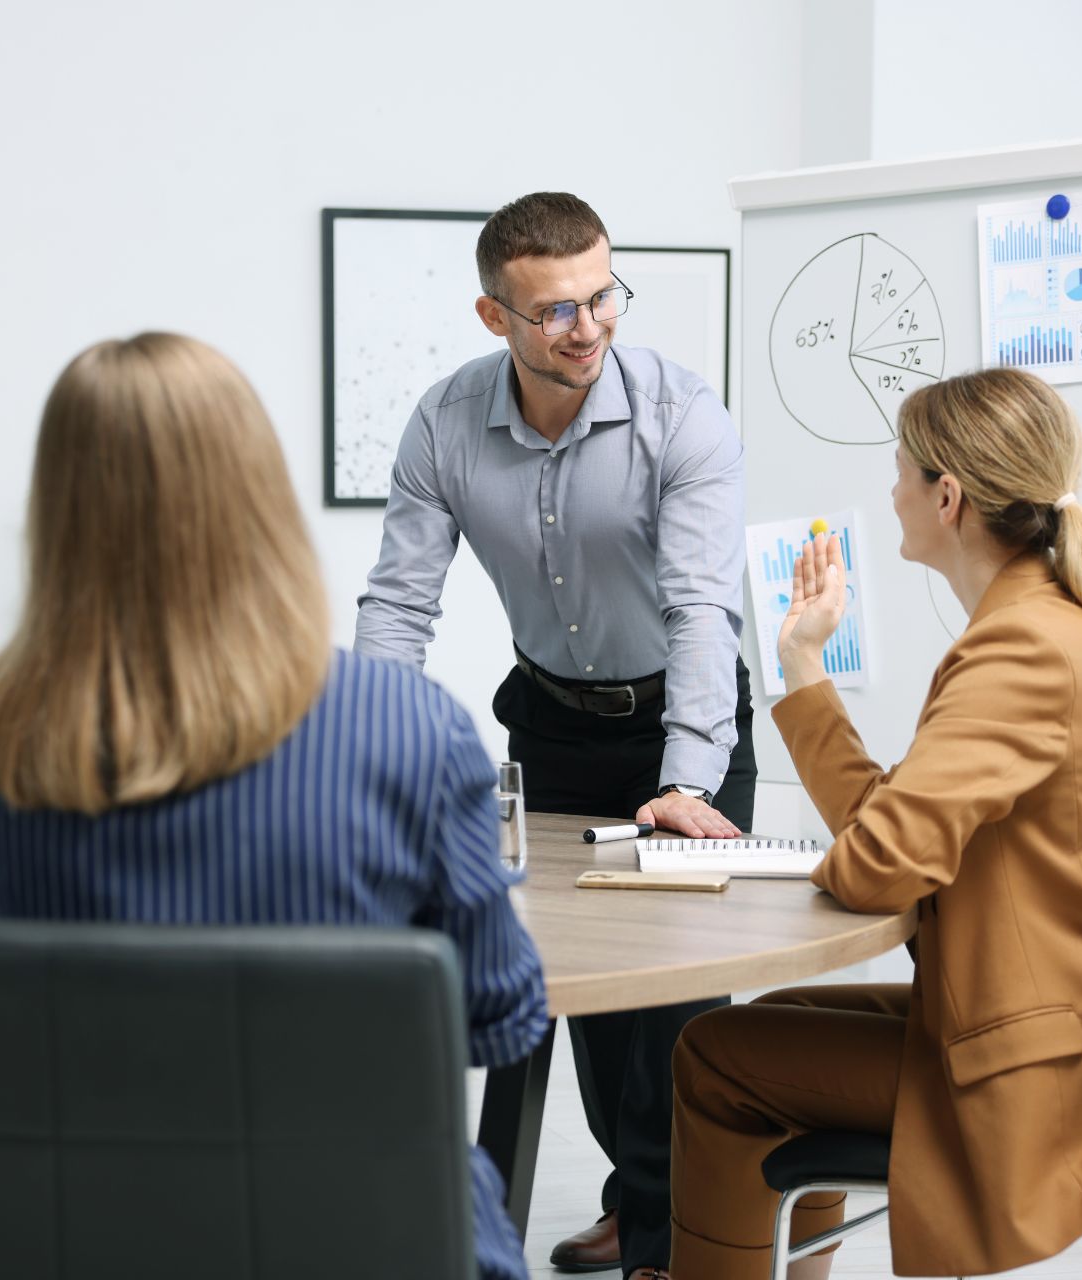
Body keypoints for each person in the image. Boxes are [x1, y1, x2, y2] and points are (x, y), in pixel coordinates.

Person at [0, 332, 549, 1280]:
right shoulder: (410, 729)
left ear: (58, 512)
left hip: (72, 1233)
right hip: (365, 1236)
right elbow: (500, 1017)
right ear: (260, 500)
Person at [668, 367, 1082, 1280]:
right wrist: (802, 659)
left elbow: (875, 866)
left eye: (901, 470)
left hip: (1051, 1076)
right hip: (1081, 1032)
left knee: (714, 1055)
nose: (892, 491)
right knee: (778, 1016)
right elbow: (887, 828)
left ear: (946, 497)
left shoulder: (1020, 649)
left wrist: (842, 860)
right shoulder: (1048, 625)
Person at [354, 190, 753, 1277]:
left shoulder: (683, 413)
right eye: (556, 311)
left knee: (676, 997)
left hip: (684, 719)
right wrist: (368, 755)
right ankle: (637, 1201)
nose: (589, 326)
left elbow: (702, 610)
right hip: (553, 723)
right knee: (577, 990)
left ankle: (675, 1243)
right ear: (497, 319)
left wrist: (684, 783)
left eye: (603, 295)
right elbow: (398, 606)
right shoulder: (444, 422)